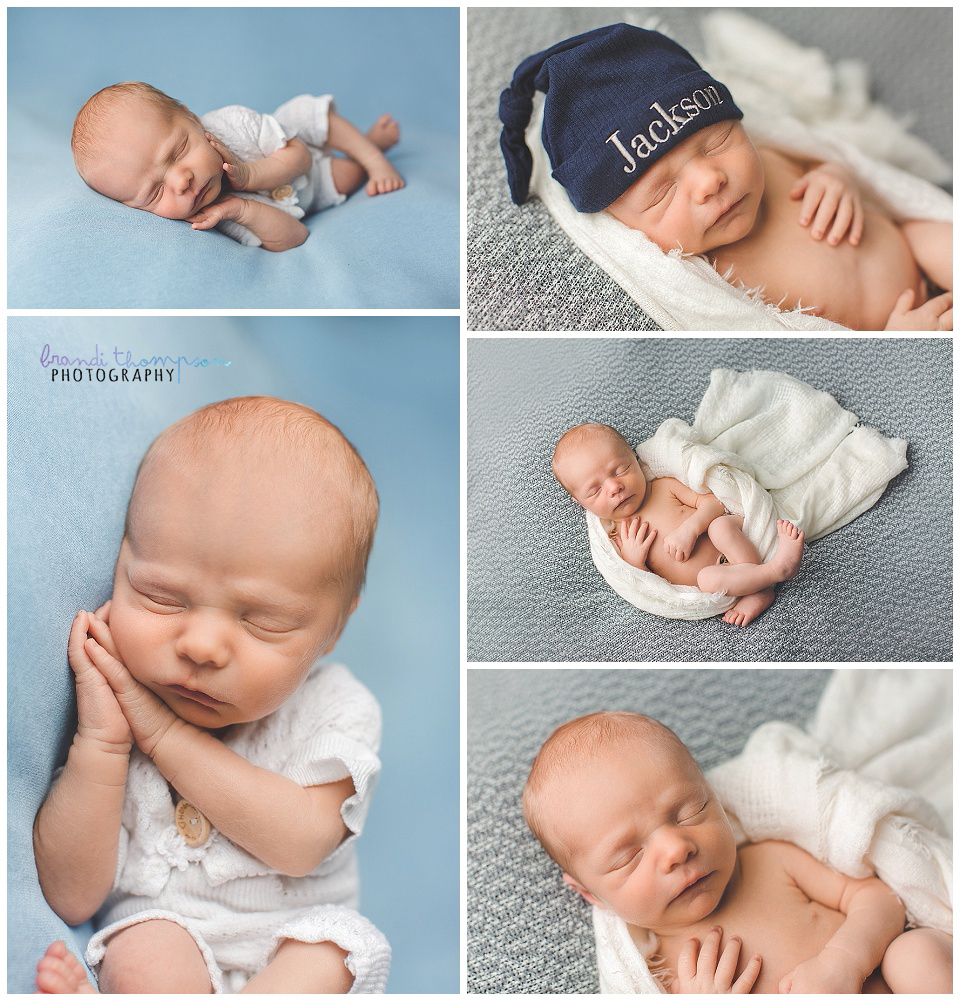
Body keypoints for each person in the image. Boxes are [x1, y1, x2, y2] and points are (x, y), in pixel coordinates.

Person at [33, 396, 390, 993]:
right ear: (122, 564)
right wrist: (101, 744)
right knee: (143, 948)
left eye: (262, 623)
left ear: (335, 629)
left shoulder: (338, 709)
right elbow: (71, 898)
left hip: (287, 950)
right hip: (166, 936)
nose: (200, 645)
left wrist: (165, 737)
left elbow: (300, 843)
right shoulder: (113, 706)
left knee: (335, 951)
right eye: (162, 597)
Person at [500, 24, 952, 330]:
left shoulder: (772, 158)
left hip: (913, 249)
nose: (709, 180)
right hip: (892, 324)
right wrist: (896, 338)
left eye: (716, 143)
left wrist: (836, 178)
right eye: (662, 192)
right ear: (626, 226)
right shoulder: (710, 278)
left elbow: (827, 161)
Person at [524, 710, 952, 993]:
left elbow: (878, 897)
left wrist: (844, 963)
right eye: (628, 856)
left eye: (690, 811)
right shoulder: (661, 974)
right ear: (591, 894)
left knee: (913, 955)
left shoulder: (769, 861)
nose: (675, 848)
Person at [72, 82, 404, 251]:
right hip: (313, 194)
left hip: (300, 157)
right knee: (347, 178)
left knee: (306, 115)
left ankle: (372, 154)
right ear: (136, 208)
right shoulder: (213, 216)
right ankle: (373, 147)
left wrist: (249, 175)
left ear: (192, 118)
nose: (181, 181)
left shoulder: (232, 123)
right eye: (155, 192)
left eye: (178, 152)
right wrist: (241, 210)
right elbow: (295, 236)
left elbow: (300, 156)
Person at [552, 423, 803, 626]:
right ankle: (763, 583)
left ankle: (771, 573)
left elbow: (713, 503)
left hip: (735, 548)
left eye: (620, 470)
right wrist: (634, 561)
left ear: (634, 457)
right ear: (581, 503)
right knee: (708, 579)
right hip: (715, 579)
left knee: (720, 527)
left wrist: (691, 528)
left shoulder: (663, 487)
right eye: (595, 490)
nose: (614, 487)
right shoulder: (617, 539)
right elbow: (647, 588)